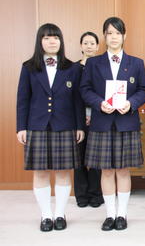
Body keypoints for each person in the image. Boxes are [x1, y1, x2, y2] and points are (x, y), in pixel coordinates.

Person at [80, 17, 145, 231]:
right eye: (109, 33)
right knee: (106, 171)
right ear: (104, 36)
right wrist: (99, 103)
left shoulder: (136, 63)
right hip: (102, 122)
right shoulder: (93, 63)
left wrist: (130, 103)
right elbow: (85, 90)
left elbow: (144, 90)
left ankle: (122, 214)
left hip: (126, 122)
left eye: (117, 33)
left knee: (122, 170)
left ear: (124, 36)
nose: (113, 37)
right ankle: (110, 214)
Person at [16, 23, 85, 232]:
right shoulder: (28, 67)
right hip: (36, 126)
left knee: (64, 172)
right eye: (47, 38)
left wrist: (80, 126)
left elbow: (78, 100)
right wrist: (21, 127)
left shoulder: (73, 68)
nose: (52, 41)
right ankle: (46, 215)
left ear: (61, 41)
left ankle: (60, 214)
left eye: (55, 37)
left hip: (65, 126)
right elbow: (23, 99)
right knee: (41, 172)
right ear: (40, 41)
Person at [73, 32, 104, 208]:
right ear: (80, 46)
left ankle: (95, 194)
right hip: (77, 118)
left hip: (98, 116)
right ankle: (81, 196)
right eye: (86, 43)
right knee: (78, 158)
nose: (89, 46)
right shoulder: (72, 68)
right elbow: (71, 95)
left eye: (93, 43)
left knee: (96, 159)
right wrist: (80, 115)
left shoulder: (101, 66)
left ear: (98, 46)